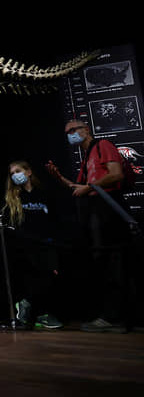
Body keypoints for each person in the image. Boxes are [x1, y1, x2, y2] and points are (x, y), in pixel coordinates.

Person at [46, 119, 130, 333]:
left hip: (109, 208)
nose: (70, 134)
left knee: (113, 262)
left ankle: (115, 318)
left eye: (74, 130)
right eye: (67, 132)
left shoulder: (103, 145)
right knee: (101, 262)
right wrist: (59, 178)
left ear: (86, 129)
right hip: (95, 212)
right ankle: (110, 316)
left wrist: (90, 187)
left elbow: (116, 174)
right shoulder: (87, 157)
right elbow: (78, 187)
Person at [0, 160, 65, 330]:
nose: (15, 175)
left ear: (28, 172)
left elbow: (56, 218)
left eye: (18, 171)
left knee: (48, 278)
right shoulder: (14, 197)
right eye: (12, 173)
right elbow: (1, 214)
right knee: (31, 278)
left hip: (46, 244)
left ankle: (35, 310)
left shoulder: (44, 193)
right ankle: (28, 312)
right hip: (24, 245)